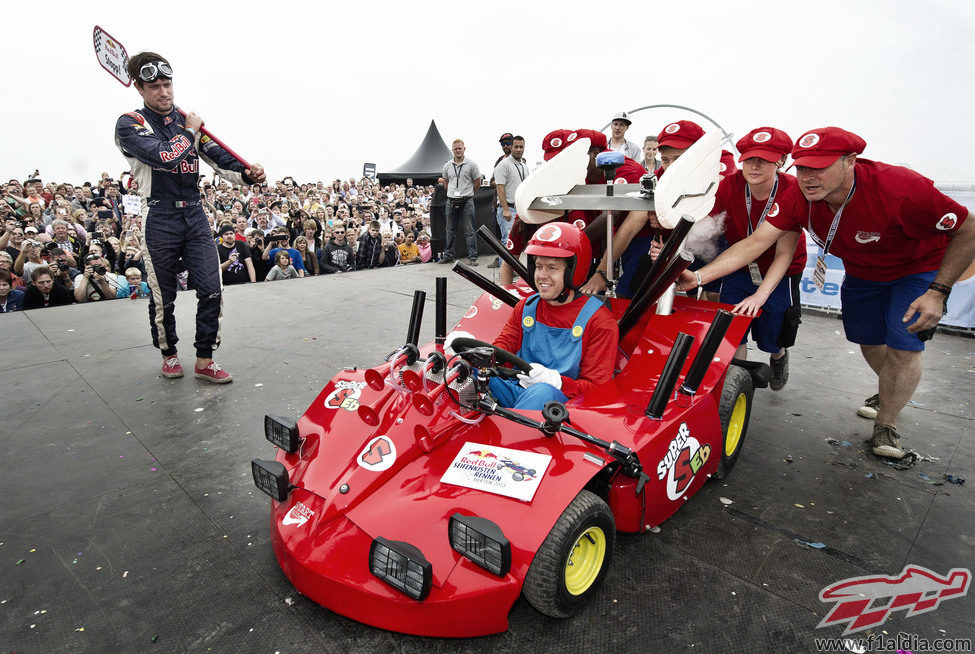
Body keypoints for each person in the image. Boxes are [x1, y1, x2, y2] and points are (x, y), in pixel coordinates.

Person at [678, 127, 975, 459]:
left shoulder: (900, 188)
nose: (808, 177)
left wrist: (938, 291)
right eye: (803, 167)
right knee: (868, 340)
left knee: (903, 347)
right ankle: (890, 389)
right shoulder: (797, 196)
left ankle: (886, 425)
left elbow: (969, 228)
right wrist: (699, 277)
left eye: (819, 167)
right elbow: (755, 243)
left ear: (850, 161)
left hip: (917, 269)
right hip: (862, 272)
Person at [115, 51, 266, 383]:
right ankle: (169, 355)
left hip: (195, 214)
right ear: (140, 89)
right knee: (163, 295)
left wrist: (248, 173)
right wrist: (190, 132)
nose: (164, 92)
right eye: (154, 86)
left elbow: (220, 158)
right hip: (159, 217)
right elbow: (165, 157)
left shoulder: (184, 121)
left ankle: (204, 359)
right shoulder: (131, 124)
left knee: (212, 288)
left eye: (167, 84)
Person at [475, 222, 619, 410]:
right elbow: (503, 348)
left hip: (565, 405)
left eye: (552, 268)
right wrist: (475, 356)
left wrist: (557, 382)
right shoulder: (526, 308)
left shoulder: (599, 321)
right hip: (519, 390)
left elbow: (596, 388)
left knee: (543, 392)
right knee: (467, 372)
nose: (541, 275)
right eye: (538, 266)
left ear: (573, 272)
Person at [712, 127, 807, 390]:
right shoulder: (729, 185)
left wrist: (760, 296)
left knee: (772, 335)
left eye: (764, 159)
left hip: (781, 270)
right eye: (749, 158)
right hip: (739, 267)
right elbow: (705, 223)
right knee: (733, 329)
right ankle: (735, 386)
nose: (754, 166)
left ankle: (779, 356)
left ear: (781, 161)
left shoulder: (793, 189)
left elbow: (784, 254)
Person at [438, 139, 481, 266]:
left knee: (469, 230)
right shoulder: (447, 166)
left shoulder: (472, 165)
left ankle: (472, 257)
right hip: (451, 200)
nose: (458, 151)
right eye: (455, 149)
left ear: (464, 149)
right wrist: (452, 193)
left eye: (460, 148)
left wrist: (469, 193)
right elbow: (446, 182)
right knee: (450, 230)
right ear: (452, 150)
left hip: (467, 200)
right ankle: (448, 255)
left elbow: (477, 182)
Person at [491, 135, 529, 268]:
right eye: (516, 147)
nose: (519, 149)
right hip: (508, 209)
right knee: (507, 241)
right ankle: (505, 274)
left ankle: (512, 270)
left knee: (517, 242)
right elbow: (500, 187)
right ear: (511, 147)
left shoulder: (523, 165)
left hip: (520, 208)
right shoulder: (503, 165)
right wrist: (505, 209)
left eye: (521, 147)